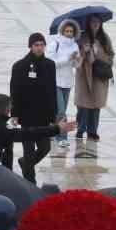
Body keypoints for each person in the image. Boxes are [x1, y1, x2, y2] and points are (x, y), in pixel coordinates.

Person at [0, 93, 71, 176]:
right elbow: (29, 133)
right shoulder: (4, 129)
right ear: (7, 109)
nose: (11, 108)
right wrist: (56, 129)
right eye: (10, 106)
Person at [9, 34, 60, 180]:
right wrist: (14, 114)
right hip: (27, 116)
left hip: (43, 116)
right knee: (29, 151)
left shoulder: (50, 65)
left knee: (45, 148)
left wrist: (54, 113)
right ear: (30, 46)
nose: (39, 47)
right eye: (36, 45)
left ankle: (25, 164)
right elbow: (15, 91)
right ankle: (30, 181)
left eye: (41, 44)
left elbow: (52, 90)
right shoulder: (20, 66)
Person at [73, 15, 114, 142]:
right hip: (84, 76)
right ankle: (80, 129)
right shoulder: (82, 37)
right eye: (93, 22)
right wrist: (85, 51)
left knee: (96, 105)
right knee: (83, 105)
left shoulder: (105, 38)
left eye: (98, 22)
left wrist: (98, 53)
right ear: (88, 23)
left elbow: (111, 55)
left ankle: (93, 131)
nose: (95, 24)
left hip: (99, 75)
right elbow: (75, 58)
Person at [45, 19, 80, 147]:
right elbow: (50, 63)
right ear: (62, 31)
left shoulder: (75, 45)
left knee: (61, 110)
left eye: (71, 31)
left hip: (68, 82)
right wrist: (67, 59)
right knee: (61, 111)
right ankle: (62, 137)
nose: (69, 33)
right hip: (55, 81)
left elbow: (76, 65)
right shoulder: (55, 43)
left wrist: (76, 60)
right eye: (67, 31)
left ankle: (52, 132)